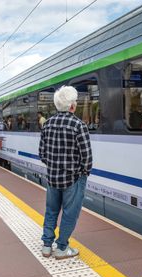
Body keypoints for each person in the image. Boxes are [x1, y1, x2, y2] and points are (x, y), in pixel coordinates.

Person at [39, 86, 92, 260]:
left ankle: (47, 246)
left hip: (52, 178)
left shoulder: (47, 124)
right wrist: (83, 172)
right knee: (70, 213)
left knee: (51, 211)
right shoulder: (79, 125)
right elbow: (86, 156)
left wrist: (54, 166)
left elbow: (42, 153)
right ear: (71, 106)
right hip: (72, 179)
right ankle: (62, 247)